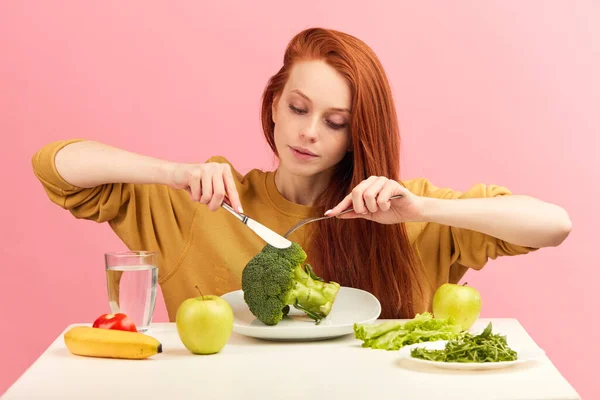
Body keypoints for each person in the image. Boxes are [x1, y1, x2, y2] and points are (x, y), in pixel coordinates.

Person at [31, 28, 571, 321]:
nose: (309, 132)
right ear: (272, 107)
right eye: (297, 108)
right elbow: (55, 165)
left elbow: (553, 225)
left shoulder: (404, 212)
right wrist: (171, 172)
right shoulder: (203, 202)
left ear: (358, 133)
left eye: (335, 122)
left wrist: (424, 210)